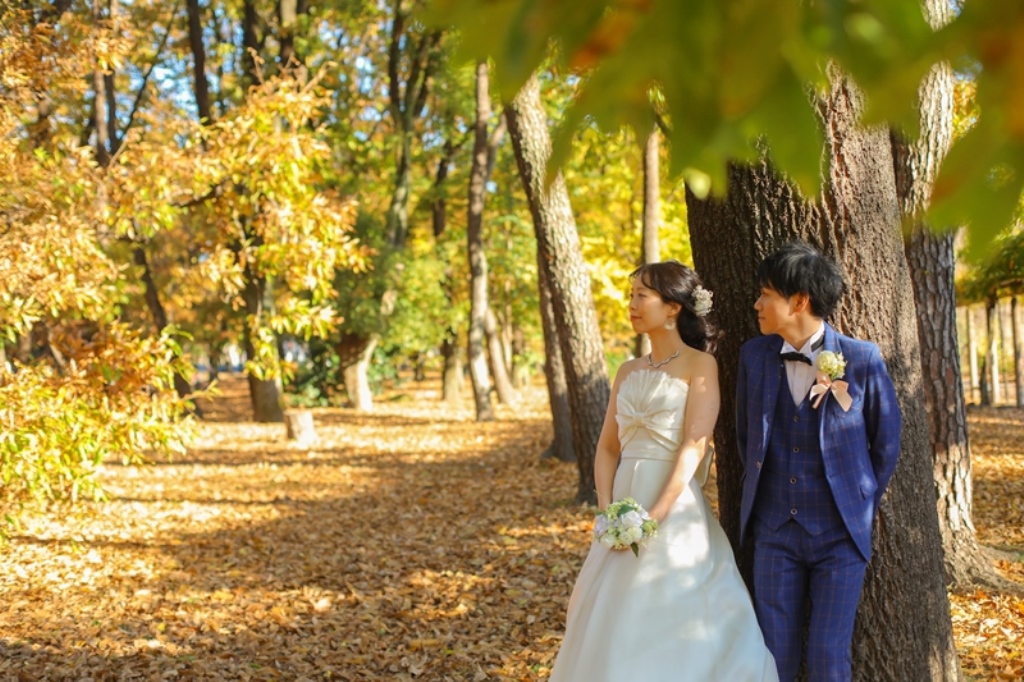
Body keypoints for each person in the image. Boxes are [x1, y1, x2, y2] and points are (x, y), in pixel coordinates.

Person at [549, 260, 778, 682]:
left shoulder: (699, 366)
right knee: (610, 614)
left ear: (673, 308)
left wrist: (655, 514)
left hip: (673, 503)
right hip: (622, 504)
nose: (631, 304)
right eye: (631, 294)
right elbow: (607, 447)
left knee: (674, 606)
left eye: (642, 295)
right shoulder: (627, 371)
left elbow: (695, 444)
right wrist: (608, 511)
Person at [736, 241, 902, 682]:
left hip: (840, 536)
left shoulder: (861, 358)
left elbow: (885, 444)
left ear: (799, 301)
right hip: (773, 532)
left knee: (829, 658)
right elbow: (745, 437)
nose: (757, 303)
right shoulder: (754, 356)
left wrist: (858, 500)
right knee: (774, 656)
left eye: (765, 294)